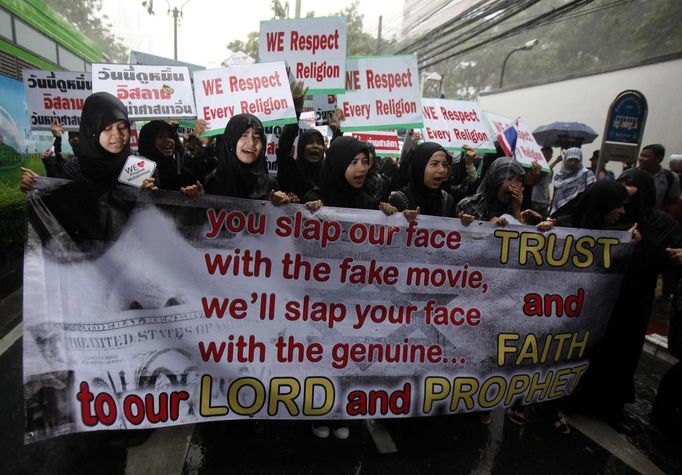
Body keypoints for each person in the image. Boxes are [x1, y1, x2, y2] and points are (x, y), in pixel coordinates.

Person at [567, 168, 682, 430]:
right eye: (621, 184)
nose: (624, 190)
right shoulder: (609, 214)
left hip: (633, 303)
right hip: (598, 298)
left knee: (623, 353)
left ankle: (611, 407)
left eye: (630, 184)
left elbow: (667, 256)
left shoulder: (661, 224)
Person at [204, 113, 288, 204]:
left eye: (257, 136)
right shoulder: (212, 182)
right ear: (231, 141)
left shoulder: (269, 185)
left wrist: (278, 206)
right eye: (244, 135)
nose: (252, 143)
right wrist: (198, 199)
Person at [388, 142, 456, 219]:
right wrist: (395, 216)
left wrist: (464, 223)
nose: (441, 170)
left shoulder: (447, 201)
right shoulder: (399, 199)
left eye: (445, 165)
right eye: (434, 164)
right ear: (419, 167)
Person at [138, 120, 202, 192]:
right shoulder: (138, 171)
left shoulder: (182, 171)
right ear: (149, 142)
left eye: (170, 136)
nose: (168, 140)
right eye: (161, 137)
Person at [549, 147, 595, 217]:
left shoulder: (586, 174)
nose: (573, 163)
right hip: (557, 215)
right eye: (570, 160)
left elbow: (591, 196)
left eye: (576, 160)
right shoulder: (559, 177)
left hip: (575, 216)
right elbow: (555, 198)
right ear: (565, 161)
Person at [638, 144, 679, 214]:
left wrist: (666, 220)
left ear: (659, 158)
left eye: (646, 156)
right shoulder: (632, 174)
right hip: (631, 220)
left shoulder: (671, 177)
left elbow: (672, 202)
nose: (641, 159)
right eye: (641, 155)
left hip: (655, 220)